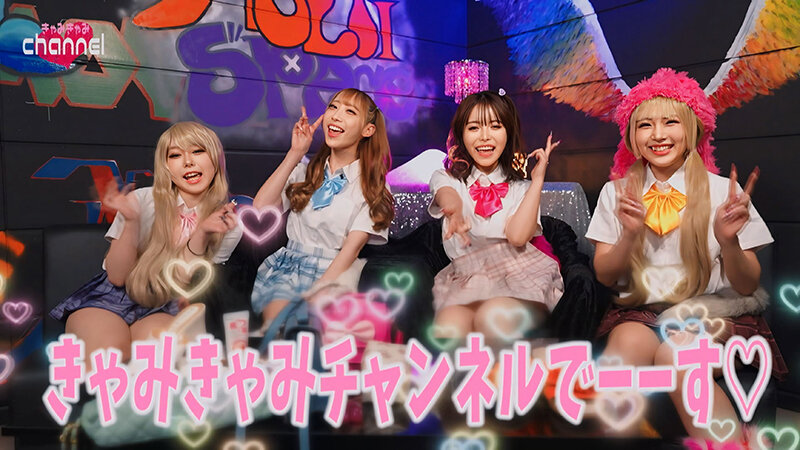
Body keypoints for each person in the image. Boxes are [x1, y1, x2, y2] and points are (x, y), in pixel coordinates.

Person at [587, 68, 786, 440]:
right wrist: (629, 235)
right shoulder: (616, 193)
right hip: (641, 312)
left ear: (693, 128)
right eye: (645, 125)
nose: (658, 135)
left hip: (712, 315)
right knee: (620, 360)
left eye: (670, 122)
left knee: (677, 358)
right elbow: (605, 276)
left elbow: (747, 285)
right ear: (631, 135)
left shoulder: (722, 191)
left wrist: (728, 241)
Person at [50, 121, 242, 366]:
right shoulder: (142, 199)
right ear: (166, 166)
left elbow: (184, 282)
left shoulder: (228, 224)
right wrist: (131, 222)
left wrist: (202, 233)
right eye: (175, 155)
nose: (188, 162)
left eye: (197, 151)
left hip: (166, 303)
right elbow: (117, 277)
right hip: (113, 296)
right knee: (107, 359)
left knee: (159, 361)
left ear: (215, 159)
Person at [428, 90, 564, 343]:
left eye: (495, 126)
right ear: (461, 134)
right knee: (449, 329)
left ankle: (516, 364)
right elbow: (446, 194)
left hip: (518, 275)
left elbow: (518, 237)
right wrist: (454, 211)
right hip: (466, 277)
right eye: (474, 127)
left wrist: (537, 181)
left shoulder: (521, 188)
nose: (485, 136)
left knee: (493, 317)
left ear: (508, 131)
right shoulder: (447, 178)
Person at [251, 88, 394, 326]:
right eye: (333, 107)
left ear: (368, 130)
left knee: (312, 328)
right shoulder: (304, 170)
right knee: (278, 324)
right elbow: (260, 208)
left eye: (349, 111)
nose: (336, 115)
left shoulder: (374, 186)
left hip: (337, 271)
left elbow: (351, 250)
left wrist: (316, 293)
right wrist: (295, 153)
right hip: (288, 269)